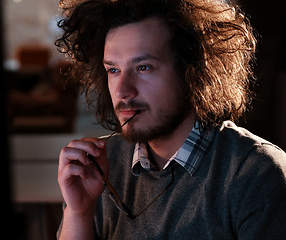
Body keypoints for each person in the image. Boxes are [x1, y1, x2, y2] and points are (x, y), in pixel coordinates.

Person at [55, 0, 286, 239]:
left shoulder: (256, 173)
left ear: (192, 71)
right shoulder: (98, 165)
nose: (123, 90)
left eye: (143, 68)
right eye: (113, 70)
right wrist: (79, 213)